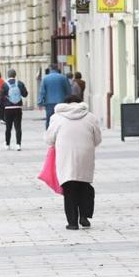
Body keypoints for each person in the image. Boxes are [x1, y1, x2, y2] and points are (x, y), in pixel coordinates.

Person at [44, 95, 101, 230]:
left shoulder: (56, 118)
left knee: (69, 188)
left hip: (65, 155)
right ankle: (84, 216)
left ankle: (72, 222)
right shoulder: (90, 117)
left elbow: (49, 139)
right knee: (84, 185)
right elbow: (97, 139)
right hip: (85, 154)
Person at [0, 69, 28, 151]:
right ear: (15, 75)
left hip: (8, 108)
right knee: (18, 127)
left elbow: (0, 97)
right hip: (18, 108)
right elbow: (25, 94)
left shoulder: (4, 84)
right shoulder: (20, 83)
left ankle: (7, 144)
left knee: (8, 127)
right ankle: (18, 144)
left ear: (8, 75)